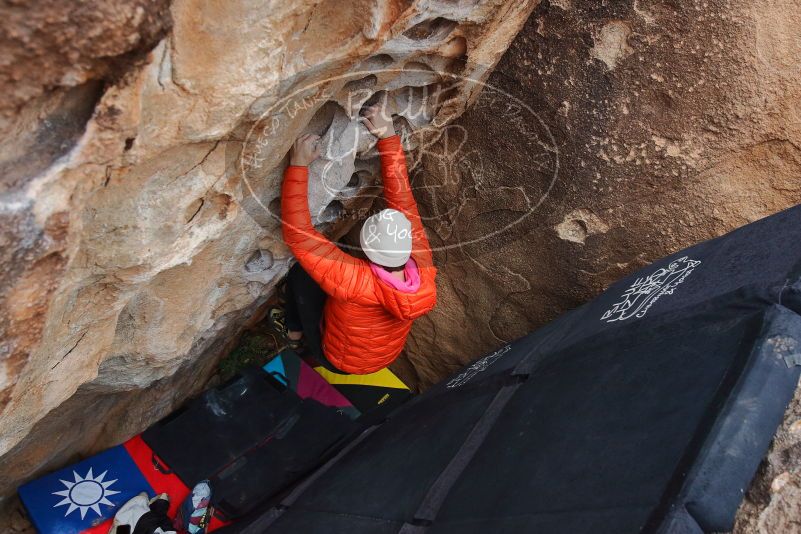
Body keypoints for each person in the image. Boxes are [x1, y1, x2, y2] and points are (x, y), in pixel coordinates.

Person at [278, 100, 437, 375]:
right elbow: (403, 201)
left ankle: (294, 335)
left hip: (338, 359)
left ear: (367, 250)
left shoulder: (355, 280)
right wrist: (388, 138)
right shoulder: (421, 261)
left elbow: (298, 236)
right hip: (382, 357)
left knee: (300, 273)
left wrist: (298, 165)